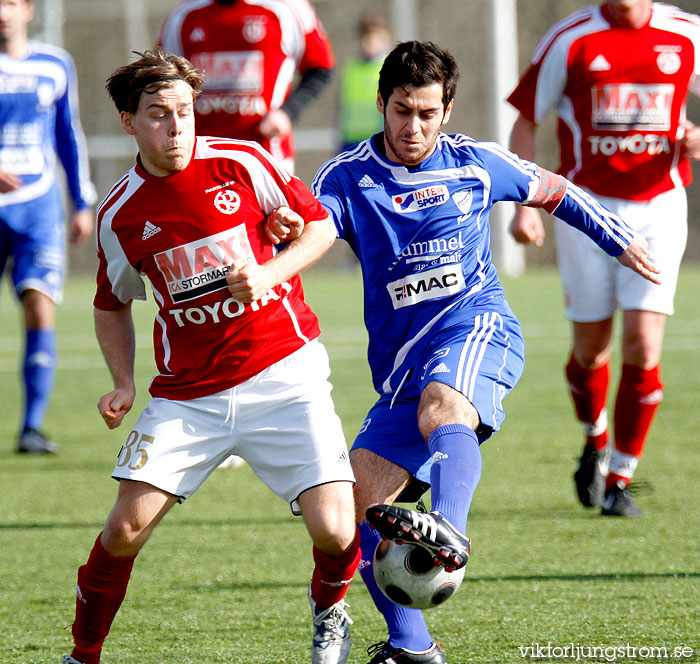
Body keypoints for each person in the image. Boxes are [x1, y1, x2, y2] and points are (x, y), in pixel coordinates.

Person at [310, 40, 659, 664]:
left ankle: (448, 531)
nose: (410, 127)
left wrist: (620, 238)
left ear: (445, 110)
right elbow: (312, 229)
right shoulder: (345, 176)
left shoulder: (475, 163)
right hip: (399, 366)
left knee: (443, 409)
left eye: (424, 113)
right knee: (352, 506)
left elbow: (556, 191)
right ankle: (414, 649)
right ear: (381, 106)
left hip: (477, 329)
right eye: (398, 111)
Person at [59, 48, 360, 664]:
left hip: (285, 373)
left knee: (335, 530)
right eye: (158, 115)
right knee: (122, 532)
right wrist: (123, 380)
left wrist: (271, 270)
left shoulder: (242, 160)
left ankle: (331, 612)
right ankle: (81, 655)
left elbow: (320, 227)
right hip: (188, 396)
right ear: (129, 123)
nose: (176, 127)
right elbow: (111, 301)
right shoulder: (119, 213)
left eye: (184, 112)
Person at [506, 0, 700, 517]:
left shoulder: (685, 33)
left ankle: (620, 478)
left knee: (642, 340)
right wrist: (527, 206)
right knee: (591, 350)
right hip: (585, 209)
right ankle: (594, 439)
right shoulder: (571, 38)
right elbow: (525, 122)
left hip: (659, 206)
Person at [0, 0, 96, 454]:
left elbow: (67, 132)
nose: (4, 11)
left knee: (39, 303)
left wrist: (81, 201)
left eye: (12, 2)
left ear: (28, 10)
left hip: (37, 208)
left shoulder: (55, 64)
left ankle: (31, 428)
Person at [159, 0, 334, 173]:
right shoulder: (184, 14)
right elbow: (164, 77)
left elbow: (320, 67)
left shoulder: (287, 7)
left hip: (268, 155)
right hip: (200, 156)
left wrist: (287, 113)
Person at [338, 10, 393, 152]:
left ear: (385, 38)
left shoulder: (390, 65)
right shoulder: (352, 67)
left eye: (373, 37)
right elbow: (342, 107)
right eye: (365, 37)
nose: (368, 42)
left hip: (377, 137)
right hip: (351, 139)